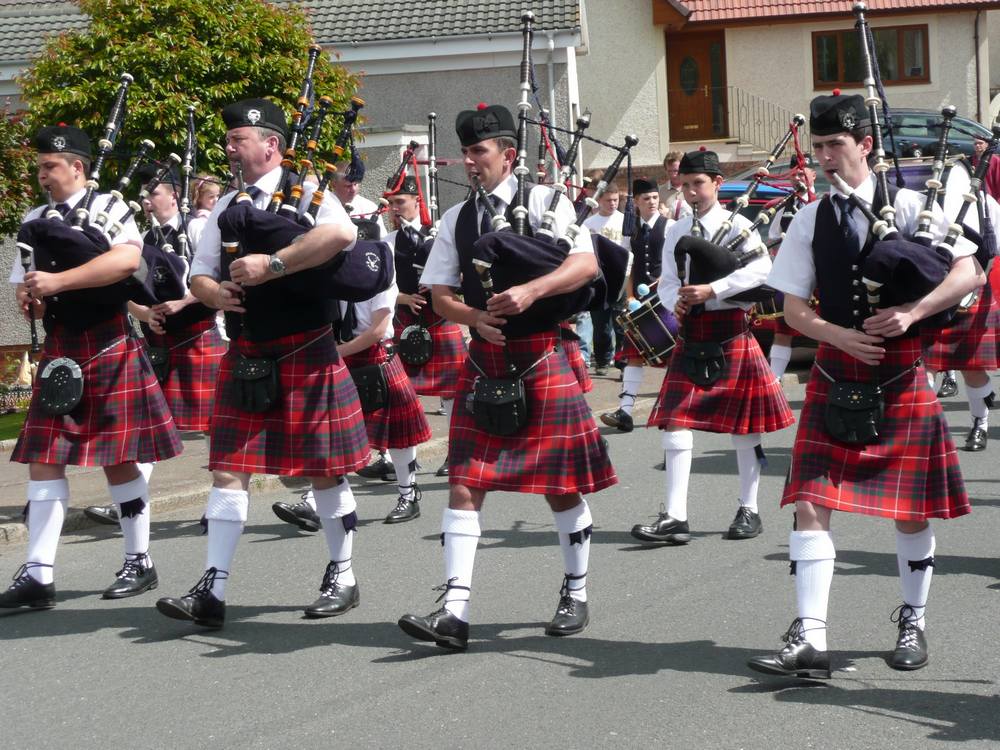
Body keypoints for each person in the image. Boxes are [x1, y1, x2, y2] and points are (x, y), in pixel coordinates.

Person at [747, 93, 981, 679]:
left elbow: (969, 271)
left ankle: (913, 620)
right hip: (837, 369)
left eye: (836, 145)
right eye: (820, 146)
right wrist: (837, 336)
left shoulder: (909, 203)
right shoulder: (810, 217)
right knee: (810, 501)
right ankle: (812, 637)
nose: (826, 157)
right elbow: (793, 308)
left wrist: (913, 312)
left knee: (909, 510)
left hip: (901, 372)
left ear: (865, 146)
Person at [397, 104, 617, 650]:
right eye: (467, 153)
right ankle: (454, 609)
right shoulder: (454, 220)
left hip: (543, 353)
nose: (471, 162)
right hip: (486, 360)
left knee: (560, 489)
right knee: (465, 482)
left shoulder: (548, 201)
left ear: (509, 155)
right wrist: (473, 318)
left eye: (480, 152)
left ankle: (576, 590)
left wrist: (531, 291)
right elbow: (440, 294)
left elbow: (586, 266)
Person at [154, 98, 368, 629]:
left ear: (270, 144)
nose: (229, 148)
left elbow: (341, 236)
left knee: (324, 470)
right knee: (228, 469)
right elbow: (198, 275)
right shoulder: (226, 204)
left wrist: (273, 264)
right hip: (248, 352)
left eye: (238, 139)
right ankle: (213, 588)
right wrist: (216, 294)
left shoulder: (310, 191)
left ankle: (342, 573)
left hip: (306, 350)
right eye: (228, 140)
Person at [3, 124, 182, 609]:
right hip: (62, 344)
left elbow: (125, 262)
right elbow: (30, 291)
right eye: (39, 166)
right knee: (45, 459)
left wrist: (58, 281)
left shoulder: (111, 207)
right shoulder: (35, 218)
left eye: (49, 167)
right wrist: (31, 298)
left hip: (107, 340)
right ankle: (38, 572)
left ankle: (138, 559)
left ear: (77, 167)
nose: (41, 175)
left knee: (119, 457)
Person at [632, 149, 793, 545]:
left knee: (744, 429)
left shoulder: (738, 226)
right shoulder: (675, 229)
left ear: (717, 184)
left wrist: (713, 289)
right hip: (694, 331)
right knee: (675, 422)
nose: (690, 192)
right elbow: (667, 280)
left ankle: (749, 509)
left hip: (730, 330)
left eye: (698, 184)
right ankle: (674, 516)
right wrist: (677, 301)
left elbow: (762, 270)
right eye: (684, 185)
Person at [84, 167, 227, 526]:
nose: (147, 201)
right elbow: (125, 291)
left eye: (154, 194)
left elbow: (216, 281)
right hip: (161, 343)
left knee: (214, 425)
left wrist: (182, 303)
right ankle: (127, 505)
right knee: (149, 423)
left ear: (174, 196)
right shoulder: (143, 237)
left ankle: (221, 501)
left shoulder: (196, 229)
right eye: (145, 196)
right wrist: (145, 314)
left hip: (197, 336)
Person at [387, 173, 466, 477]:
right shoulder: (388, 241)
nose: (394, 208)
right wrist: (402, 298)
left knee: (451, 392)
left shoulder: (439, 236)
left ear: (416, 201)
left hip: (440, 319)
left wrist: (441, 288)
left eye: (400, 202)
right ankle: (407, 458)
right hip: (406, 321)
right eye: (391, 203)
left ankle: (454, 453)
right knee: (402, 391)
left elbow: (460, 276)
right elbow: (378, 285)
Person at [921, 168, 1000, 451]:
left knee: (973, 369)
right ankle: (926, 430)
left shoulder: (986, 204)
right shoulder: (922, 201)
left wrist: (970, 286)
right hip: (932, 293)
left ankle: (980, 424)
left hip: (973, 294)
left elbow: (994, 248)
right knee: (924, 367)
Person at [600, 177, 667, 432]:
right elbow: (629, 268)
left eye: (654, 198)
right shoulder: (632, 230)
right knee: (634, 356)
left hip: (664, 300)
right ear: (636, 203)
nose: (651, 202)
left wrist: (666, 283)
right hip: (639, 302)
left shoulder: (669, 226)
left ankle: (672, 408)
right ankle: (625, 412)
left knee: (671, 355)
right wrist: (629, 296)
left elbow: (676, 264)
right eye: (646, 199)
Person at [765, 156, 818, 379]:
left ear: (813, 175)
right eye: (794, 174)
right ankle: (774, 380)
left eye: (802, 172)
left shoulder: (821, 203)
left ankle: (826, 377)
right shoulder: (783, 206)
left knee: (824, 327)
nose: (798, 177)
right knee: (783, 329)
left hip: (820, 277)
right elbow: (772, 239)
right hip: (791, 279)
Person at [583, 181, 627, 376]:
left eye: (616, 200)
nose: (613, 204)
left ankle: (622, 361)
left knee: (621, 323)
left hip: (622, 277)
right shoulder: (589, 224)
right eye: (608, 200)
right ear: (599, 200)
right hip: (600, 279)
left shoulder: (625, 220)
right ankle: (602, 359)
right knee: (601, 324)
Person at [658, 150, 691, 221]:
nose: (673, 175)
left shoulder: (692, 189)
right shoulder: (660, 191)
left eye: (676, 171)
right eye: (669, 171)